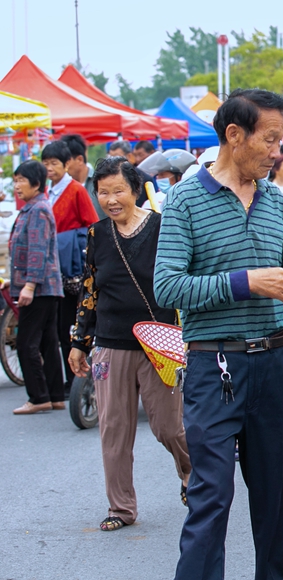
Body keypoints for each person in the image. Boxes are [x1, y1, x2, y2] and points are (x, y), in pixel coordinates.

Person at [154, 88, 283, 580]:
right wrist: (246, 282)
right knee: (211, 497)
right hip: (213, 368)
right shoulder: (184, 200)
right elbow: (167, 286)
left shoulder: (274, 201)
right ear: (234, 135)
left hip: (276, 368)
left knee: (275, 501)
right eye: (270, 140)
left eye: (280, 141)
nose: (277, 152)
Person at [68, 157, 192, 532]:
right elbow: (90, 291)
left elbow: (182, 279)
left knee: (169, 427)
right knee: (114, 429)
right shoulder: (97, 235)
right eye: (103, 192)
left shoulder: (162, 227)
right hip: (110, 344)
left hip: (159, 344)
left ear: (135, 190)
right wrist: (79, 341)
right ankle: (120, 508)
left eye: (118, 190)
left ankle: (193, 477)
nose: (111, 199)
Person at [42, 141, 100, 398]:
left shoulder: (76, 190)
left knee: (71, 324)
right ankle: (69, 378)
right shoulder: (48, 191)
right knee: (58, 326)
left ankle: (75, 379)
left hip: (73, 269)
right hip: (55, 266)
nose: (50, 168)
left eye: (54, 163)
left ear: (66, 165)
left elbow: (91, 224)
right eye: (46, 164)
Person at [6, 160, 65, 415]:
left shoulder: (38, 209)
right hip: (43, 286)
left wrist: (28, 285)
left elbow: (37, 252)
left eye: (21, 180)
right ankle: (54, 395)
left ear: (36, 184)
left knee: (26, 342)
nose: (16, 186)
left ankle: (38, 396)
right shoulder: (32, 208)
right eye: (15, 180)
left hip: (39, 287)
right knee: (48, 342)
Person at [60, 134, 103, 219]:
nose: (63, 166)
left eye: (66, 162)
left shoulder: (101, 182)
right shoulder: (61, 186)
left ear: (80, 160)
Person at [108, 141, 159, 207]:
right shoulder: (109, 178)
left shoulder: (144, 178)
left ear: (129, 156)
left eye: (117, 157)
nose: (113, 161)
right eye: (110, 158)